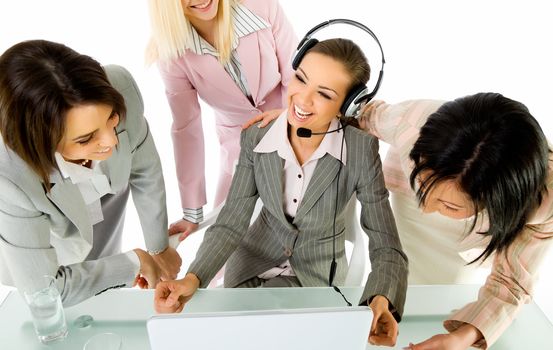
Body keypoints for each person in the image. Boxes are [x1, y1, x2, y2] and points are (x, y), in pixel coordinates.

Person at [154, 38, 409, 347]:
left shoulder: (360, 150)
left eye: (324, 94)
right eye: (301, 78)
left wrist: (382, 296)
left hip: (315, 277)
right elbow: (231, 221)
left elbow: (386, 244)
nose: (302, 98)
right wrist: (193, 279)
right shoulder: (257, 137)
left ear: (345, 106)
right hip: (250, 268)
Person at [358, 95, 552, 349]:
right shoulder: (411, 122)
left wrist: (460, 338)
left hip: (469, 242)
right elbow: (361, 114)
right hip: (406, 203)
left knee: (445, 292)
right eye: (424, 182)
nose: (427, 209)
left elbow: (511, 283)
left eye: (449, 206)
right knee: (404, 278)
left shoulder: (544, 199)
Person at [0, 40, 181, 306]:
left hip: (103, 214)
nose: (110, 142)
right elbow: (45, 291)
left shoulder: (120, 86)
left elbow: (144, 170)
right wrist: (134, 262)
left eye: (111, 119)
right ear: (40, 142)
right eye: (86, 139)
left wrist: (158, 247)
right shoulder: (10, 179)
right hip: (43, 243)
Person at [146, 0, 297, 239]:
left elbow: (296, 76)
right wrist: (192, 212)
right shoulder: (171, 54)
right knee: (223, 248)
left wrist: (293, 118)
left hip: (294, 128)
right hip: (238, 149)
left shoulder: (261, 6)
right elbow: (187, 129)